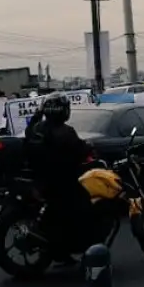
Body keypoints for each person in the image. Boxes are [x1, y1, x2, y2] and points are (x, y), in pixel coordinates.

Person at [23, 92, 94, 256]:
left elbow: (28, 134)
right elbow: (79, 150)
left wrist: (37, 115)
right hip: (61, 181)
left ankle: (63, 250)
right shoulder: (65, 131)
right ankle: (84, 246)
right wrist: (89, 147)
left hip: (40, 178)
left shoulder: (36, 127)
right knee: (85, 205)